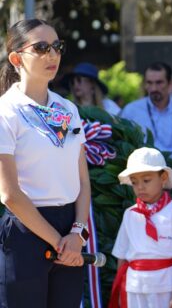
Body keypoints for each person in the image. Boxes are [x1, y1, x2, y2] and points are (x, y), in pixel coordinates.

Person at [0, 19, 89, 307]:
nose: (52, 55)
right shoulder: (5, 112)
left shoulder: (68, 108)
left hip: (70, 231)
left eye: (57, 47)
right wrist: (58, 240)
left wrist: (76, 234)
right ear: (16, 58)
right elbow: (9, 194)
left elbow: (83, 181)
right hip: (26, 230)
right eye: (41, 47)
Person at [111, 147, 172, 308]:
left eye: (146, 180)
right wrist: (119, 288)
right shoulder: (130, 214)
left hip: (165, 285)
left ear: (163, 178)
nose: (140, 187)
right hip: (134, 286)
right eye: (134, 182)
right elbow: (122, 255)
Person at [120, 62, 172, 165]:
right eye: (149, 83)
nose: (154, 88)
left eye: (159, 82)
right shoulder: (131, 111)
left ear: (171, 84)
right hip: (143, 176)